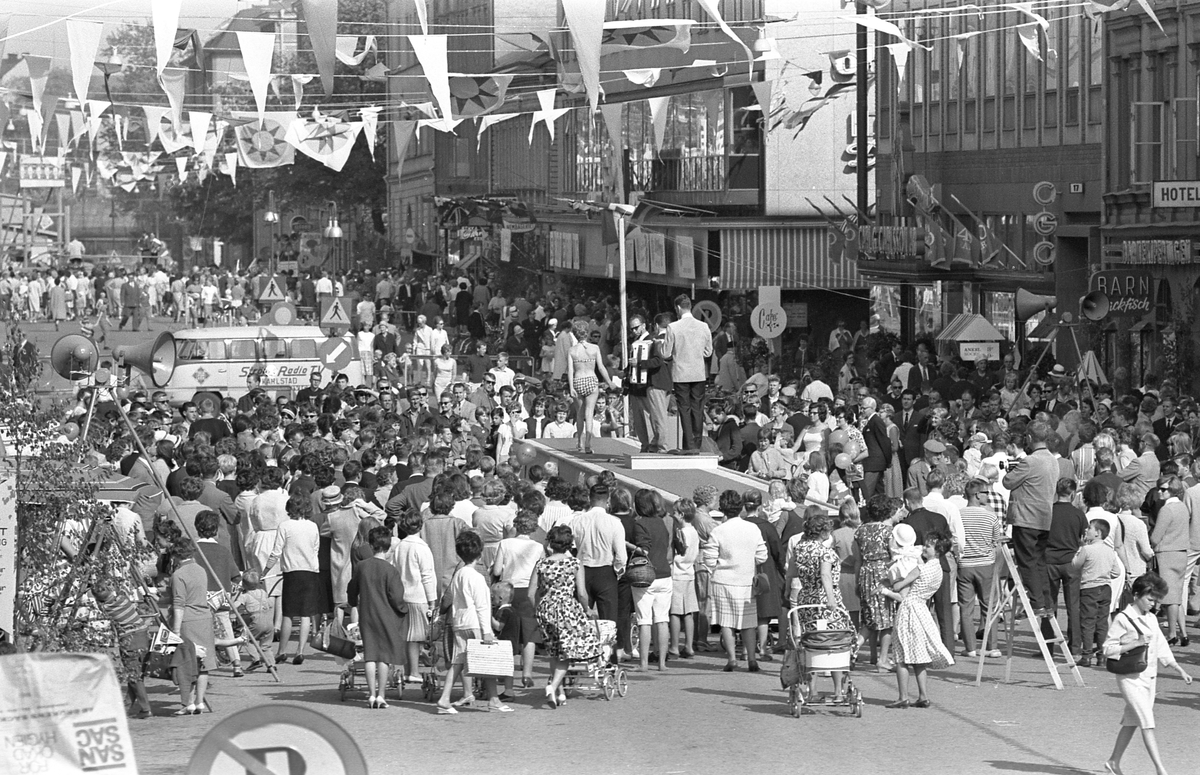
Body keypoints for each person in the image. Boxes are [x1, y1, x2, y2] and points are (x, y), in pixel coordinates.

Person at [1103, 573, 1193, 775]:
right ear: (1136, 595)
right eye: (1150, 599)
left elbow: (1161, 646)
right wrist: (1134, 643)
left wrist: (1178, 669)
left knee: (1131, 722)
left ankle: (1113, 762)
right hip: (1129, 678)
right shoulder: (1123, 618)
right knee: (1147, 721)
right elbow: (1107, 649)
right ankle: (1160, 770)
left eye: (1156, 600)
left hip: (1149, 678)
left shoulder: (1151, 618)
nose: (1153, 604)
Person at [435, 530, 514, 714]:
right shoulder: (477, 577)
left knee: (458, 661)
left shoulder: (459, 574)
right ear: (479, 553)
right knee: (487, 661)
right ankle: (494, 699)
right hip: (475, 623)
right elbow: (482, 606)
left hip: (460, 622)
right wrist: (487, 631)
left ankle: (445, 698)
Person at [786, 513, 857, 701]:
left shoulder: (800, 548)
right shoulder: (825, 552)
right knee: (834, 642)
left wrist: (787, 590)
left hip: (806, 599)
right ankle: (838, 692)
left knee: (812, 642)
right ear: (824, 532)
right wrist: (831, 599)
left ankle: (813, 690)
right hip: (824, 601)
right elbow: (825, 575)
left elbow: (791, 571)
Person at [882, 531, 955, 709]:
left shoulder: (920, 568)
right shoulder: (939, 570)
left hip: (909, 609)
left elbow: (898, 586)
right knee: (919, 656)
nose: (924, 548)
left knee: (901, 656)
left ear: (937, 550)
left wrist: (893, 579)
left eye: (928, 546)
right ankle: (923, 695)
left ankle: (903, 697)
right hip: (922, 609)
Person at [531, 525, 602, 708]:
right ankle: (552, 686)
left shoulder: (541, 564)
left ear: (550, 543)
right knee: (567, 654)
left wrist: (537, 610)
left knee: (554, 652)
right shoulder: (574, 564)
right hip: (567, 609)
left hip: (546, 608)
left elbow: (531, 594)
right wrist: (588, 609)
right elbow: (582, 593)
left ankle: (560, 693)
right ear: (569, 544)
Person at [702, 490, 768, 672]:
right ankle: (752, 659)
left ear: (722, 509)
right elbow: (762, 556)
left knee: (726, 622)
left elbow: (709, 558)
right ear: (740, 507)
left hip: (723, 581)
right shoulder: (752, 528)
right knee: (748, 623)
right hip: (746, 580)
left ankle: (731, 659)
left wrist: (716, 568)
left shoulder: (718, 530)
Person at [347, 526, 408, 708]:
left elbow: (352, 589)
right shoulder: (390, 570)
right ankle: (381, 695)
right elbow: (396, 597)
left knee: (370, 655)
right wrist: (403, 609)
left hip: (367, 615)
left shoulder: (362, 566)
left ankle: (371, 695)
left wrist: (353, 602)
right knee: (384, 656)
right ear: (388, 547)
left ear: (371, 546)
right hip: (386, 615)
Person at [1003, 420, 1059, 615]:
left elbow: (1008, 481)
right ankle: (1047, 602)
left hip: (1026, 518)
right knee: (1039, 561)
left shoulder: (1030, 461)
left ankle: (1037, 603)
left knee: (1026, 562)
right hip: (1044, 518)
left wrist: (1013, 470)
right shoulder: (1053, 460)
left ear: (1029, 438)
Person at [264, 492, 321, 665]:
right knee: (305, 614)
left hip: (292, 572)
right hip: (310, 571)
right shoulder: (312, 526)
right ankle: (300, 650)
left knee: (288, 613)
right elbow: (315, 549)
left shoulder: (285, 526)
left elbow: (276, 552)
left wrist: (265, 570)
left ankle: (282, 651)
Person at [491, 509, 545, 687]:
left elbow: (497, 571)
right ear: (534, 528)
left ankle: (504, 671)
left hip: (508, 590)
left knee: (507, 632)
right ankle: (527, 674)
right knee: (529, 634)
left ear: (516, 525)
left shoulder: (505, 544)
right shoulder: (538, 547)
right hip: (529, 590)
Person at [162, 537, 216, 715]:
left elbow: (179, 603)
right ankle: (199, 702)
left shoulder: (178, 575)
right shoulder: (201, 570)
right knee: (204, 663)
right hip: (204, 618)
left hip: (188, 620)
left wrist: (176, 630)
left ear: (176, 555)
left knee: (187, 663)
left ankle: (188, 703)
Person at [388, 509, 436, 686]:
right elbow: (427, 575)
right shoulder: (422, 547)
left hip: (402, 595)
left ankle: (408, 670)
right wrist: (432, 600)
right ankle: (414, 672)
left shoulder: (400, 546)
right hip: (418, 595)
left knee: (407, 635)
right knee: (416, 636)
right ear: (420, 526)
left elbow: (393, 568)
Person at [660, 295, 713, 453]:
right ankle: (696, 443)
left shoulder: (673, 327)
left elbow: (666, 353)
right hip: (698, 373)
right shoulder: (703, 326)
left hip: (681, 373)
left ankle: (689, 444)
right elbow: (708, 352)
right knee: (698, 407)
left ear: (678, 308)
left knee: (684, 408)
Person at [855, 495, 899, 670]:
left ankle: (855, 649)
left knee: (869, 618)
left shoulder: (860, 531)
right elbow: (894, 556)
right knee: (887, 619)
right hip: (883, 573)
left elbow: (858, 559)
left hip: (865, 572)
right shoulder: (889, 531)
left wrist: (858, 581)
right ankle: (883, 659)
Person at [1074, 518, 1121, 667]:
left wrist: (1080, 548)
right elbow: (1117, 572)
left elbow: (1075, 564)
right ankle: (1102, 655)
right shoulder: (1109, 550)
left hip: (1089, 587)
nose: (1086, 530)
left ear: (1097, 533)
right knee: (1102, 622)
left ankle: (1087, 655)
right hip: (1105, 587)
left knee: (1088, 622)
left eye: (1090, 528)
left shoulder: (1087, 550)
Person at [1151, 476, 1190, 646]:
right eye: (1159, 488)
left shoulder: (1166, 510)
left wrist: (1151, 544)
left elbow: (1156, 536)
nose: (1160, 492)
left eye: (1164, 489)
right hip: (1181, 552)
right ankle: (1184, 633)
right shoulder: (1182, 507)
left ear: (1172, 490)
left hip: (1167, 553)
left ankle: (1172, 633)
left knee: (1170, 598)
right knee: (1177, 596)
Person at [567, 318, 613, 454]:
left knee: (580, 414)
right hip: (591, 380)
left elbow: (570, 370)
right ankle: (587, 442)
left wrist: (571, 387)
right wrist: (609, 382)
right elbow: (601, 367)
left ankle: (580, 442)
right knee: (589, 413)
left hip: (578, 380)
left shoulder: (572, 350)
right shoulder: (594, 348)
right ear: (586, 333)